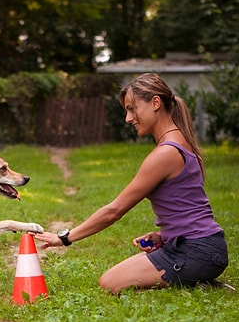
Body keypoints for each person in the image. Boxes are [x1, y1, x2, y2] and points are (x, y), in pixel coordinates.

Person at [33, 73, 228, 294]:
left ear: (155, 103)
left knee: (111, 283)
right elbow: (187, 206)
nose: (128, 118)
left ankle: (194, 282)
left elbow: (114, 211)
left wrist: (65, 238)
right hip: (200, 246)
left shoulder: (166, 153)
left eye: (132, 108)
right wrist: (164, 237)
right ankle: (195, 278)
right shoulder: (178, 143)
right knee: (115, 279)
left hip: (196, 251)